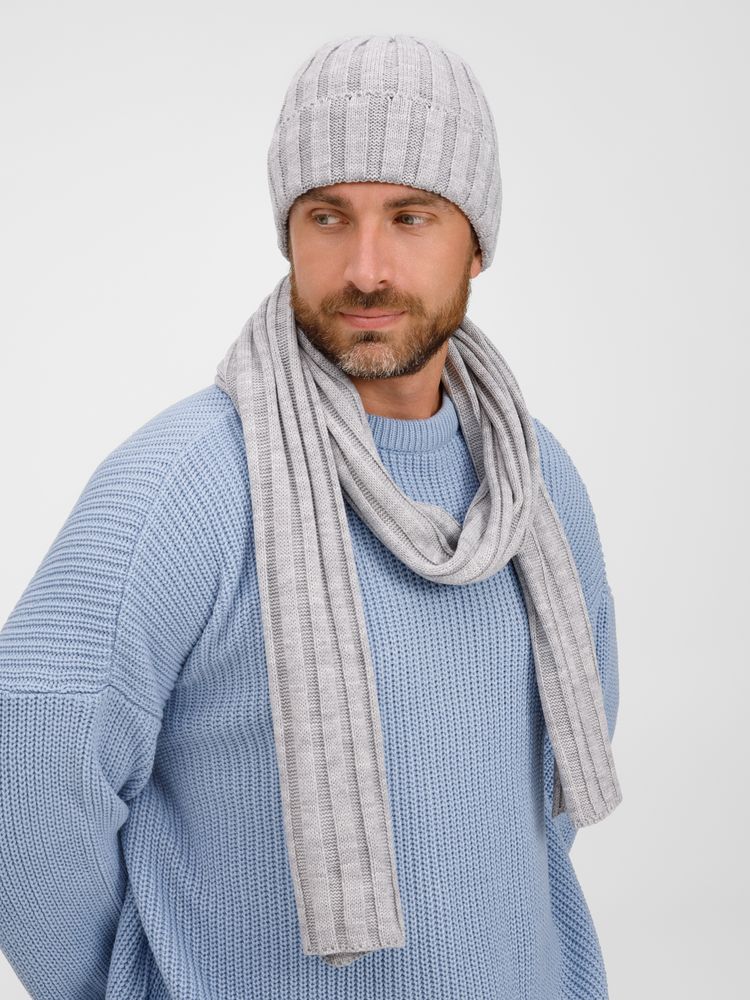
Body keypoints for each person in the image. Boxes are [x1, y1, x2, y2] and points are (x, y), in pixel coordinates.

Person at [0, 32, 621, 1000]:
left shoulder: (535, 487)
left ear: (476, 244)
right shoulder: (189, 484)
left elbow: (541, 793)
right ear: (289, 235)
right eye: (328, 217)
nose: (366, 268)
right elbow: (29, 762)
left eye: (410, 216)